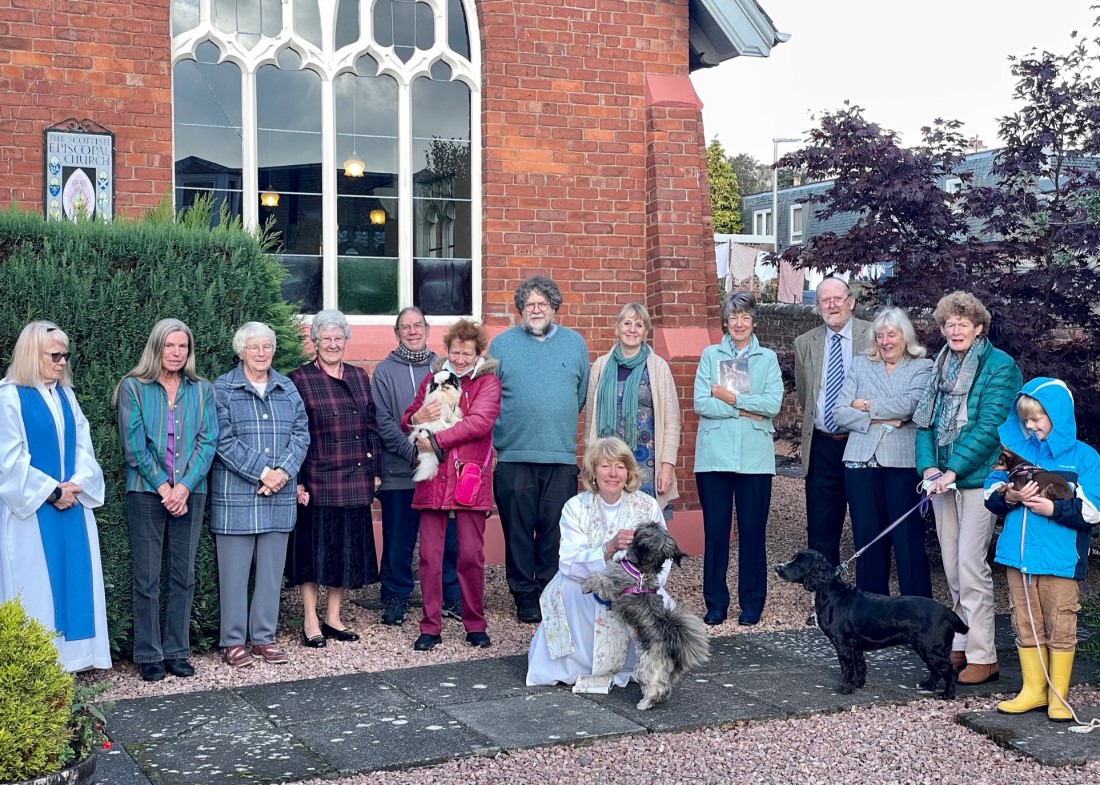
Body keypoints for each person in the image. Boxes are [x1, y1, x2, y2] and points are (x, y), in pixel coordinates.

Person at [914, 291, 1022, 685]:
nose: (955, 330)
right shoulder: (939, 366)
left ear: (979, 328)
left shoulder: (1000, 367)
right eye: (949, 324)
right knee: (951, 566)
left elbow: (990, 428)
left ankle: (984, 655)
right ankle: (961, 642)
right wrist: (929, 467)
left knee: (971, 566)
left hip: (977, 481)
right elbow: (924, 423)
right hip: (941, 482)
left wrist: (953, 470)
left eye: (964, 323)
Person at [0, 321, 111, 672]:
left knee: (74, 581)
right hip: (30, 516)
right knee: (36, 590)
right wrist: (51, 492)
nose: (62, 362)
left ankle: (72, 665)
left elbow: (84, 449)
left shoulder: (66, 396)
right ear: (33, 355)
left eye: (65, 355)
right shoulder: (8, 398)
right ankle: (39, 671)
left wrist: (75, 486)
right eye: (55, 355)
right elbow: (8, 460)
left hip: (72, 508)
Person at [985, 378, 1099, 720]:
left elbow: (1093, 510)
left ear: (1059, 416)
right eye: (1025, 421)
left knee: (1060, 622)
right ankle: (1033, 690)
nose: (1031, 427)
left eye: (1038, 419)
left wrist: (1053, 510)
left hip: (1061, 560)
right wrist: (1010, 496)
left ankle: (1058, 695)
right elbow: (990, 495)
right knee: (1025, 622)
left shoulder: (1085, 457)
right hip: (1017, 559)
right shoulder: (1015, 453)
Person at [115, 318, 218, 681]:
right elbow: (134, 445)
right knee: (146, 576)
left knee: (184, 575)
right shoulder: (133, 388)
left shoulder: (202, 390)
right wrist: (164, 487)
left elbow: (208, 442)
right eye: (169, 346)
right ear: (156, 347)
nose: (176, 353)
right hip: (146, 493)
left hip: (191, 493)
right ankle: (148, 653)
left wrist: (185, 487)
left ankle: (177, 650)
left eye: (183, 347)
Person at [526, 437, 671, 692]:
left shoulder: (647, 505)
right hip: (585, 584)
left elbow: (663, 556)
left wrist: (641, 584)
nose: (613, 473)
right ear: (593, 472)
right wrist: (609, 547)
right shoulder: (576, 506)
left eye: (620, 466)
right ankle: (579, 665)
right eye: (605, 466)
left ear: (629, 472)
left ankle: (641, 665)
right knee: (575, 591)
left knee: (659, 602)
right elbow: (569, 562)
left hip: (634, 589)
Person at [489, 275, 589, 623]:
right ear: (520, 308)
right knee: (517, 530)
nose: (536, 309)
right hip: (514, 455)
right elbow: (489, 397)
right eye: (529, 304)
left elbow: (579, 397)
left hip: (560, 456)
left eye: (542, 304)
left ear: (553, 307)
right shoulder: (501, 346)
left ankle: (549, 589)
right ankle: (523, 595)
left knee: (554, 529)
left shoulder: (575, 344)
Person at [212, 322, 310, 667]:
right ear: (241, 351)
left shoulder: (287, 388)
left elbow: (301, 434)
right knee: (234, 575)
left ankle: (264, 638)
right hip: (236, 496)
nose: (261, 353)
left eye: (267, 346)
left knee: (270, 574)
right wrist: (263, 472)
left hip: (278, 496)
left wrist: (281, 474)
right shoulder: (222, 388)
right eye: (254, 347)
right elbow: (221, 439)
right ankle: (234, 640)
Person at [402, 319, 500, 650]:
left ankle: (474, 622)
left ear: (478, 353)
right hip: (434, 477)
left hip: (468, 476)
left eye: (466, 353)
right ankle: (430, 626)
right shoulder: (432, 378)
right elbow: (410, 415)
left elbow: (480, 423)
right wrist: (416, 420)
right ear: (448, 350)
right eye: (455, 351)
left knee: (471, 554)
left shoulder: (487, 383)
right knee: (430, 555)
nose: (459, 358)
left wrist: (437, 441)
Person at [286, 310, 382, 648]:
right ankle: (310, 618)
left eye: (337, 338)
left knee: (344, 549)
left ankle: (333, 616)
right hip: (317, 478)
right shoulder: (299, 379)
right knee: (314, 551)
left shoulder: (358, 375)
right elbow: (295, 434)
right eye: (325, 338)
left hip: (354, 476)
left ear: (345, 341)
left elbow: (371, 426)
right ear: (315, 342)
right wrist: (296, 481)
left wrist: (375, 472)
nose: (332, 344)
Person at [693, 291, 782, 627]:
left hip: (755, 460)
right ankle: (715, 602)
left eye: (745, 317)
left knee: (752, 533)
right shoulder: (710, 355)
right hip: (714, 458)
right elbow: (702, 403)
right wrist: (745, 409)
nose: (740, 323)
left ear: (754, 321)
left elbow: (772, 404)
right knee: (715, 533)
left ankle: (752, 602)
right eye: (734, 317)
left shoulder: (768, 359)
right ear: (725, 321)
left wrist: (732, 398)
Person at [832, 307, 933, 598]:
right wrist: (885, 417)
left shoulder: (922, 366)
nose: (886, 341)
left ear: (905, 337)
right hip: (860, 461)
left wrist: (864, 406)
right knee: (868, 541)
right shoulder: (860, 364)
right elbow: (839, 412)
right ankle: (872, 613)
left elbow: (910, 406)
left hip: (902, 463)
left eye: (892, 334)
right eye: (880, 335)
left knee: (907, 541)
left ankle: (916, 611)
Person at [373, 307, 461, 627]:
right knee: (399, 537)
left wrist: (436, 451)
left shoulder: (444, 368)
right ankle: (396, 596)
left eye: (418, 325)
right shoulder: (385, 371)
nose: (412, 331)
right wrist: (412, 452)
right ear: (397, 334)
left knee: (447, 537)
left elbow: (456, 413)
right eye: (405, 327)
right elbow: (383, 421)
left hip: (440, 470)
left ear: (427, 329)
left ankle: (451, 595)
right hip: (400, 470)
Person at [794, 277, 871, 569]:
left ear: (850, 302)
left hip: (862, 442)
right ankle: (823, 601)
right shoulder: (805, 344)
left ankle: (869, 598)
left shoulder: (873, 336)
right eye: (825, 300)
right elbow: (806, 395)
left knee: (867, 521)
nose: (832, 305)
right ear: (817, 307)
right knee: (821, 527)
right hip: (822, 445)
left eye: (838, 298)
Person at [585, 302, 680, 512]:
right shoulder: (600, 366)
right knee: (609, 523)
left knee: (647, 529)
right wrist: (590, 461)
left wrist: (667, 466)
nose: (632, 330)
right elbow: (590, 418)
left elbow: (672, 422)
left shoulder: (659, 367)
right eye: (627, 323)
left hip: (647, 461)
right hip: (608, 461)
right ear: (617, 328)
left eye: (639, 325)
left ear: (645, 330)